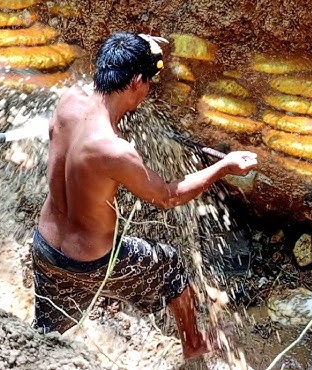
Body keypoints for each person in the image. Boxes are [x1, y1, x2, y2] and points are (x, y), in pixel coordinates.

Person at [32, 32, 258, 359]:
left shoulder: (68, 100)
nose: (149, 90)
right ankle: (193, 345)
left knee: (43, 337)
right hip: (93, 263)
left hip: (45, 248)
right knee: (169, 264)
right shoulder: (114, 149)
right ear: (136, 81)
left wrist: (133, 43)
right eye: (149, 83)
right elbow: (168, 196)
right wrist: (223, 166)